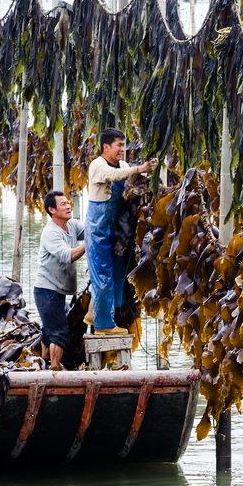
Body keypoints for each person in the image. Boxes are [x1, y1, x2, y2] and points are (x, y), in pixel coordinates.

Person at [86, 128, 157, 335]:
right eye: (118, 145)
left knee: (117, 274)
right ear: (105, 147)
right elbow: (114, 176)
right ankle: (104, 325)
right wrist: (139, 169)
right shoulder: (97, 165)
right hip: (99, 229)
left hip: (117, 228)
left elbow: (131, 177)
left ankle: (95, 312)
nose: (122, 150)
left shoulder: (125, 165)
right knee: (103, 275)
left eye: (123, 145)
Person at [34, 191, 85, 370]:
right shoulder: (50, 233)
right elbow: (67, 256)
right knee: (59, 333)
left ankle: (43, 365)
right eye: (62, 204)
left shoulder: (71, 225)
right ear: (52, 210)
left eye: (67, 202)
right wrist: (89, 244)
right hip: (46, 290)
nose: (68, 206)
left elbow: (90, 230)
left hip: (58, 289)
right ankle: (55, 371)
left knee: (49, 331)